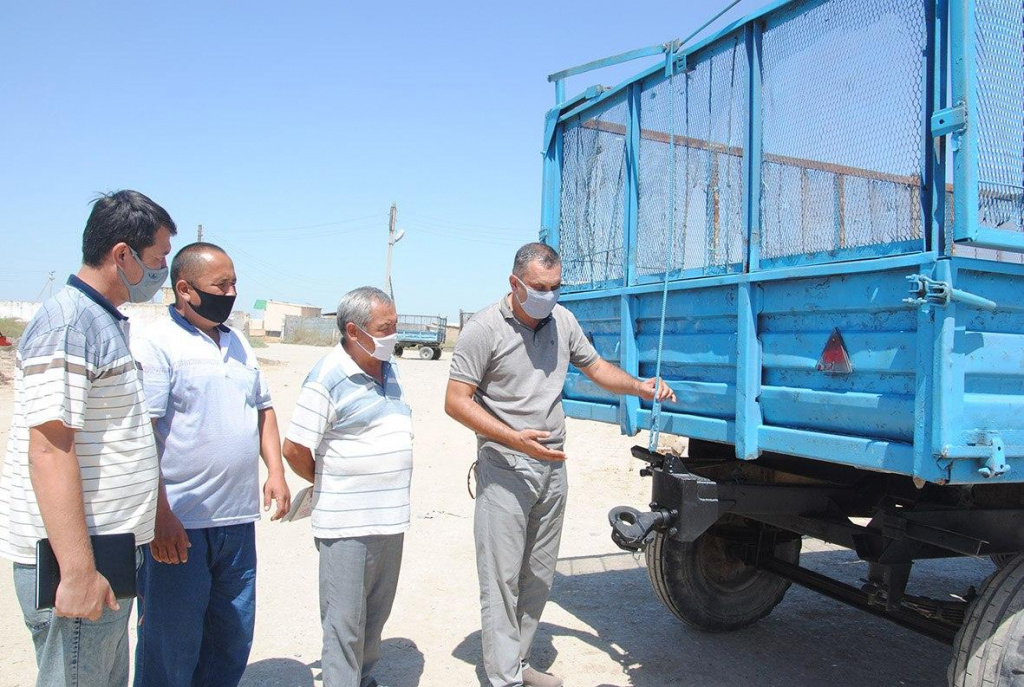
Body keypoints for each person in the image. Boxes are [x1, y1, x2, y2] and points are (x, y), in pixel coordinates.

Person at [445, 242, 676, 687]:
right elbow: (455, 401)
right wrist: (512, 437)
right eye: (538, 287)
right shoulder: (483, 329)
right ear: (514, 284)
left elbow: (596, 368)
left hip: (552, 468)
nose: (548, 295)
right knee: (502, 578)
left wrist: (639, 386)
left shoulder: (563, 321)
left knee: (539, 574)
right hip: (506, 465)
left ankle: (519, 661)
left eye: (555, 287)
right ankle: (503, 677)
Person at [0, 190, 176, 686]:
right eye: (158, 258)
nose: (161, 269)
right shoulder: (69, 323)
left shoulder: (101, 320)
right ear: (123, 255)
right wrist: (77, 571)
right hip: (79, 557)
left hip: (108, 550)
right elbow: (49, 451)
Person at [129, 242, 292, 686]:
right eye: (221, 284)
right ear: (185, 289)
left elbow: (264, 410)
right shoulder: (157, 344)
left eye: (235, 282)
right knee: (170, 645)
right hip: (180, 525)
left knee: (230, 638)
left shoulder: (238, 341)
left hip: (237, 523)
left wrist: (275, 472)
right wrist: (160, 515)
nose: (232, 291)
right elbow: (143, 435)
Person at [283, 286, 412, 687]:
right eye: (384, 327)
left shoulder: (389, 369)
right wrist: (332, 479)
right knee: (344, 623)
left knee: (374, 618)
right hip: (346, 524)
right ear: (354, 331)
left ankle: (363, 679)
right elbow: (295, 449)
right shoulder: (327, 375)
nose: (393, 334)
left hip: (390, 520)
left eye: (394, 325)